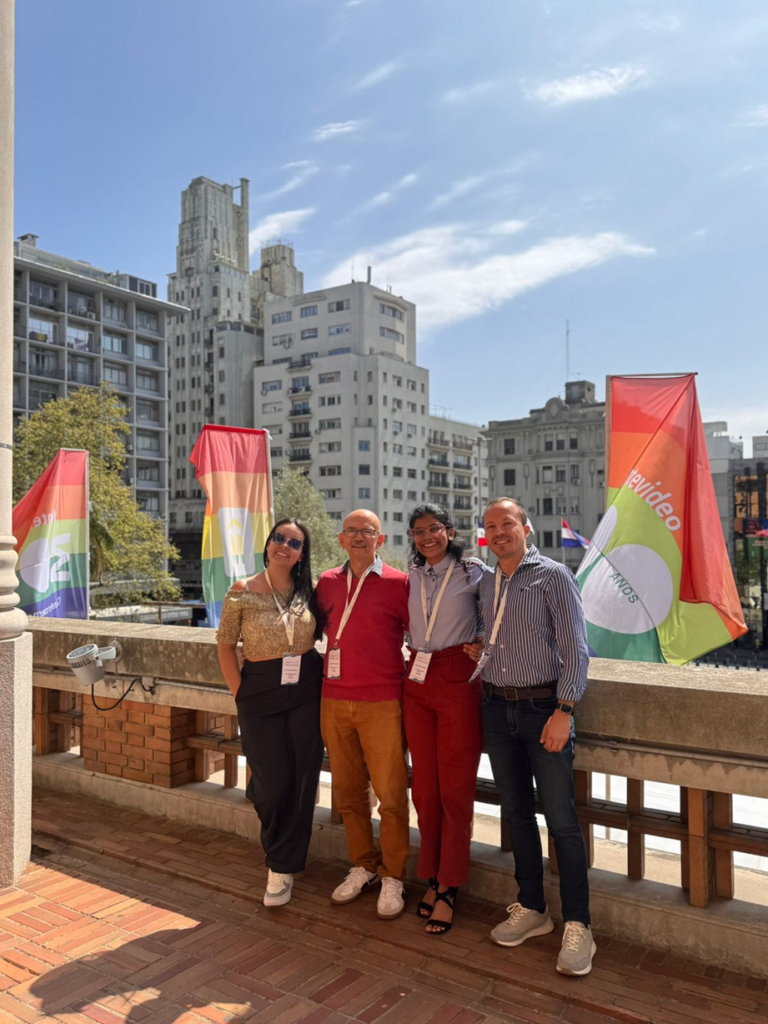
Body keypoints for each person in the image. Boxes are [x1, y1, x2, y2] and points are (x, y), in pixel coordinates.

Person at [473, 497, 595, 976]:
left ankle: (579, 925)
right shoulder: (488, 579)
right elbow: (496, 631)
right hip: (495, 705)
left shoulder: (554, 576)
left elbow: (576, 649)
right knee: (516, 813)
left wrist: (564, 709)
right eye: (490, 526)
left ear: (526, 528)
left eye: (508, 524)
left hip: (544, 707)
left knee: (561, 820)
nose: (499, 532)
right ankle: (532, 907)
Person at [217, 518, 324, 909]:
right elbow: (226, 646)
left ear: (301, 554)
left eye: (294, 542)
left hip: (307, 687)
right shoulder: (241, 591)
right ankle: (269, 813)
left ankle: (283, 864)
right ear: (267, 545)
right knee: (273, 782)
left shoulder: (309, 591)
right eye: (279, 538)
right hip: (259, 690)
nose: (284, 546)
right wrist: (240, 692)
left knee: (303, 776)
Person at [316, 509, 411, 920]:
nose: (359, 537)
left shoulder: (399, 584)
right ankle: (364, 865)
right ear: (340, 539)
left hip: (383, 702)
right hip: (333, 698)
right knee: (348, 792)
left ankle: (393, 875)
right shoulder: (326, 582)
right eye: (352, 531)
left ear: (380, 539)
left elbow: (423, 634)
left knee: (391, 794)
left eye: (367, 531)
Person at [404, 503, 488, 936]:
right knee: (425, 789)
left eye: (434, 529)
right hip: (415, 678)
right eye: (418, 531)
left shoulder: (474, 572)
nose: (426, 537)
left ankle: (450, 885)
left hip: (457, 675)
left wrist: (484, 642)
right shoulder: (412, 577)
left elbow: (502, 613)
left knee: (455, 789)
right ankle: (431, 873)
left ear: (449, 531)